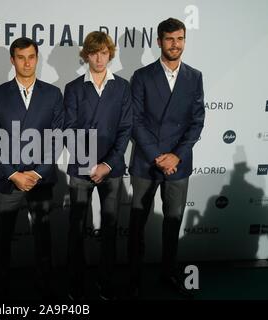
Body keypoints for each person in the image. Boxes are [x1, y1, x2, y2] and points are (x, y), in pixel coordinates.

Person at [127, 18, 205, 298]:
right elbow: (135, 121)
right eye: (170, 39)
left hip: (179, 165)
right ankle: (133, 278)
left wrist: (176, 156)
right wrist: (157, 156)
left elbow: (197, 122)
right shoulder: (142, 76)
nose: (176, 44)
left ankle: (168, 273)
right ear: (159, 41)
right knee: (136, 225)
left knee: (173, 224)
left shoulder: (194, 77)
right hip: (146, 163)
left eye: (180, 38)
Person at [0, 37, 64, 298]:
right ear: (12, 60)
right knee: (3, 239)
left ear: (37, 58)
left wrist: (38, 172)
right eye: (21, 57)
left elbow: (58, 136)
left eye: (31, 56)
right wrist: (12, 173)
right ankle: (0, 290)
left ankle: (45, 289)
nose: (27, 62)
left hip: (40, 178)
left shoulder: (53, 94)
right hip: (8, 178)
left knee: (43, 238)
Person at [63, 31, 132, 300]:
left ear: (110, 54)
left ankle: (105, 283)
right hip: (81, 168)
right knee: (76, 228)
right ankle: (75, 284)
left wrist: (107, 164)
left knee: (110, 228)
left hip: (112, 169)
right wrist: (89, 163)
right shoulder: (73, 87)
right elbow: (68, 129)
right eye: (94, 52)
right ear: (86, 55)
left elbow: (126, 129)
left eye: (104, 52)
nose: (99, 58)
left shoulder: (123, 87)